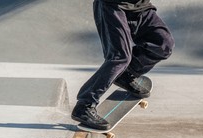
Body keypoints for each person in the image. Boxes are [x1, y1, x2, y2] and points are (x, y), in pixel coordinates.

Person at [71, 0, 174, 130]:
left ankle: (125, 74)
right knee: (120, 57)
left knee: (164, 44)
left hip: (141, 7)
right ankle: (84, 105)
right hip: (113, 6)